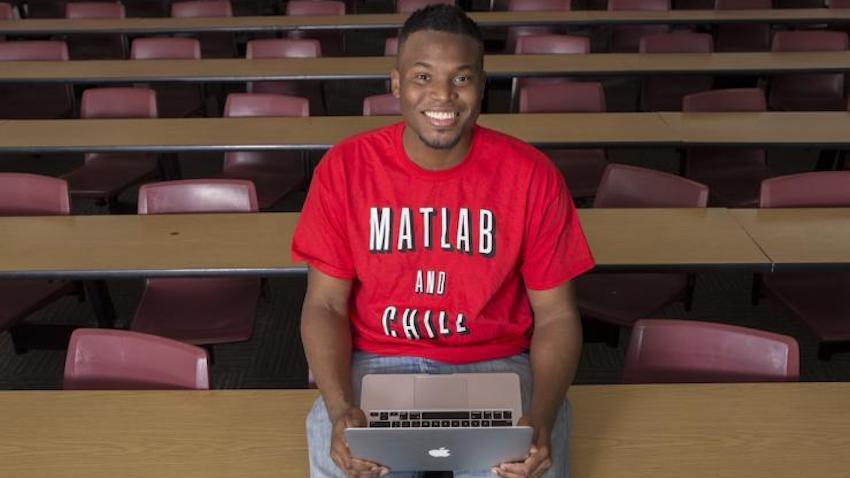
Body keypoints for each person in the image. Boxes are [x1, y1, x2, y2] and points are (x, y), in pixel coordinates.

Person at [292, 5, 595, 478]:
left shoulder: (531, 176)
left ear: (481, 85)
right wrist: (339, 406)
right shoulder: (344, 169)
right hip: (379, 365)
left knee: (528, 468)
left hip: (496, 366)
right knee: (345, 466)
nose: (442, 95)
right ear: (395, 84)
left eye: (461, 78)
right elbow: (325, 306)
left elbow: (556, 314)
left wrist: (541, 416)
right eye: (422, 76)